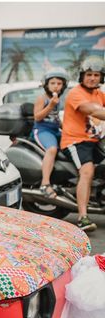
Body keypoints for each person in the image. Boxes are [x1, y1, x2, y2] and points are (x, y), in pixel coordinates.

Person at [61, 56, 105, 232]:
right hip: (76, 140)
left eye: (96, 74)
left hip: (94, 140)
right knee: (87, 171)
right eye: (89, 74)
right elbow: (93, 110)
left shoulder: (98, 93)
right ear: (82, 76)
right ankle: (83, 217)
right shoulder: (76, 93)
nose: (92, 78)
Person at [32, 67, 69, 199]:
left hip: (55, 130)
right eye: (52, 83)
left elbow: (56, 118)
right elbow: (37, 117)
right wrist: (51, 105)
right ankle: (45, 183)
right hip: (42, 130)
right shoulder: (42, 99)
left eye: (59, 84)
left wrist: (67, 129)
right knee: (52, 149)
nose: (56, 86)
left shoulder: (57, 99)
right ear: (46, 84)